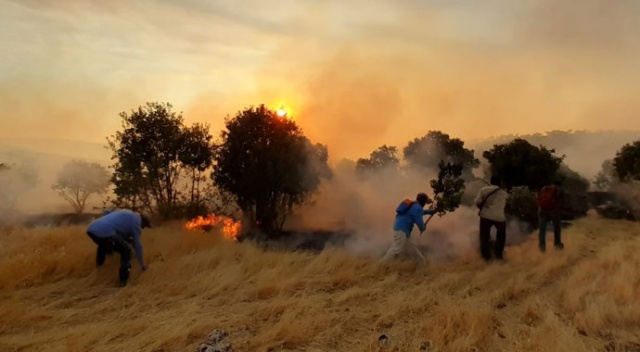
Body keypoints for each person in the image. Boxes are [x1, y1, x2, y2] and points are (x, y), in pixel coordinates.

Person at [86, 209, 151, 286]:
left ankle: (99, 268)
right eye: (145, 226)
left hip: (92, 229)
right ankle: (124, 281)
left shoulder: (127, 213)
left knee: (104, 245)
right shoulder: (136, 223)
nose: (144, 228)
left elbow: (107, 212)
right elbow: (137, 245)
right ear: (143, 221)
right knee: (126, 250)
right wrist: (142, 264)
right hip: (106, 232)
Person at [381, 192, 435, 263]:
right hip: (402, 230)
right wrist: (423, 228)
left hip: (401, 229)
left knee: (412, 248)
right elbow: (420, 224)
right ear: (423, 202)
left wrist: (430, 212)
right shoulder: (417, 209)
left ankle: (421, 263)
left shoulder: (414, 205)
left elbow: (421, 212)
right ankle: (381, 264)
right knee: (396, 249)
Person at [475, 176, 509, 261]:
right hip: (499, 217)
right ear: (500, 183)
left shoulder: (484, 190)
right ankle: (499, 254)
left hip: (486, 216)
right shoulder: (504, 194)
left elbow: (477, 202)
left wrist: (484, 207)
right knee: (501, 236)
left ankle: (486, 257)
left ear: (491, 182)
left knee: (484, 236)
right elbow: (506, 205)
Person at [537, 181, 564, 252]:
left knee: (542, 230)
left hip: (542, 210)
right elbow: (560, 202)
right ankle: (557, 244)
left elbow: (538, 198)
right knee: (557, 227)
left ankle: (542, 247)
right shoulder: (558, 190)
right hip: (553, 211)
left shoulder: (544, 189)